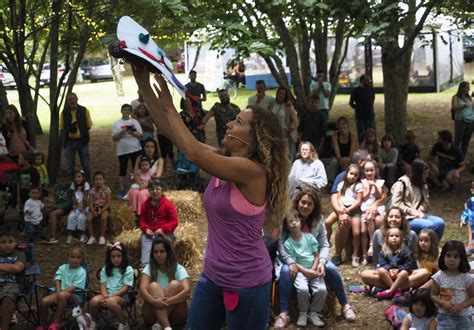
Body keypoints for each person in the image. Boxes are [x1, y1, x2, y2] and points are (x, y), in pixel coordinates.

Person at [133, 65, 288, 329]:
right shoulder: (223, 159)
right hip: (213, 277)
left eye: (238, 122)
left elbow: (193, 153)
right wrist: (144, 83)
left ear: (256, 138)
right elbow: (171, 133)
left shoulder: (253, 172)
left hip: (248, 284)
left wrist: (172, 106)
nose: (228, 123)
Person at [275, 186, 356, 329]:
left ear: (315, 206)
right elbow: (281, 243)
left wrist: (322, 262)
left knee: (330, 268)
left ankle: (345, 305)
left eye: (309, 204)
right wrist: (291, 261)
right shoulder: (289, 217)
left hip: (313, 258)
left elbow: (324, 244)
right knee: (286, 272)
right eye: (303, 202)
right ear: (297, 202)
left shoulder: (318, 220)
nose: (305, 206)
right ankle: (284, 313)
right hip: (291, 257)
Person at [360, 207, 430, 293]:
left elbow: (413, 260)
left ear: (402, 219)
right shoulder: (378, 234)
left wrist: (400, 270)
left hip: (404, 272)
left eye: (397, 217)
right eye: (391, 216)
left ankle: (386, 289)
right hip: (385, 272)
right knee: (365, 274)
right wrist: (388, 270)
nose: (393, 219)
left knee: (425, 273)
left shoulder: (411, 235)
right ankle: (401, 289)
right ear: (387, 218)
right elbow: (376, 260)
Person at [283, 210, 326, 327]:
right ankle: (303, 313)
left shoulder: (309, 237)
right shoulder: (288, 243)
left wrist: (313, 268)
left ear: (301, 223)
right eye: (290, 221)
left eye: (296, 220)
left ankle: (314, 313)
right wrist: (306, 271)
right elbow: (294, 262)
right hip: (301, 271)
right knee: (302, 289)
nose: (293, 223)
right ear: (287, 226)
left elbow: (316, 254)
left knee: (322, 290)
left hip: (313, 268)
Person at [140, 235, 191, 329]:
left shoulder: (178, 268)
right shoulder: (149, 268)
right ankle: (167, 326)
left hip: (176, 315)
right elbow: (142, 289)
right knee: (153, 286)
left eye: (162, 251)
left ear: (168, 253)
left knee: (175, 285)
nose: (158, 255)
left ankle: (160, 323)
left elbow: (187, 290)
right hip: (152, 315)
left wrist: (167, 301)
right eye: (155, 252)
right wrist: (153, 301)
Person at [391, 158, 445, 239]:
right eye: (424, 174)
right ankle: (421, 247)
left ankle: (433, 248)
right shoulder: (402, 184)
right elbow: (396, 204)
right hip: (406, 217)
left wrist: (422, 207)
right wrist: (413, 212)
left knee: (440, 223)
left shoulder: (423, 185)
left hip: (420, 215)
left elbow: (426, 202)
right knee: (428, 225)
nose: (426, 176)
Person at [37, 244, 87, 330]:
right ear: (68, 257)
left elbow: (74, 287)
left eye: (78, 257)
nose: (75, 260)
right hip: (59, 293)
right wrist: (58, 292)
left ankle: (58, 322)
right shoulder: (63, 267)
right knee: (44, 301)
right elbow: (57, 279)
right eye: (72, 257)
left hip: (75, 296)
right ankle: (43, 324)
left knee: (62, 296)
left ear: (82, 259)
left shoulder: (81, 271)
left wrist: (60, 294)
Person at [89, 242, 134, 330]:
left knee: (111, 302)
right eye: (113, 256)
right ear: (109, 258)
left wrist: (110, 297)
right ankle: (95, 321)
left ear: (123, 256)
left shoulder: (128, 269)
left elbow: (126, 288)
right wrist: (105, 295)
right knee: (94, 301)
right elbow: (103, 286)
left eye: (118, 256)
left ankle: (123, 324)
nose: (116, 259)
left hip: (122, 296)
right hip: (107, 294)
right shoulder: (105, 269)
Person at [431, 240, 474, 329]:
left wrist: (462, 305)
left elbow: (473, 297)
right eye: (448, 255)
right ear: (443, 256)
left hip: (464, 317)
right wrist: (442, 303)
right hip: (445, 316)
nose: (451, 259)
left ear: (461, 259)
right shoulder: (438, 277)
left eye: (456, 256)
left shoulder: (466, 278)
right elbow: (433, 295)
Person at [139, 179, 178, 266]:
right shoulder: (145, 205)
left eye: (157, 189)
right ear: (148, 191)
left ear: (162, 191)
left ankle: (168, 267)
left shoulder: (168, 204)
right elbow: (142, 220)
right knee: (145, 256)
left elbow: (174, 221)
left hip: (164, 233)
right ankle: (145, 267)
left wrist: (162, 229)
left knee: (164, 252)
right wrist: (146, 229)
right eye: (152, 189)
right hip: (149, 234)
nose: (155, 191)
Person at [375, 227, 416, 300]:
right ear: (387, 238)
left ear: (401, 239)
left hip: (400, 275)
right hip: (388, 274)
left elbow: (409, 263)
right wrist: (390, 269)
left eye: (397, 236)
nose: (394, 238)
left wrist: (399, 269)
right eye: (391, 236)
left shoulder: (405, 250)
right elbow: (381, 262)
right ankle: (396, 291)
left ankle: (389, 291)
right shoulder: (384, 250)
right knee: (381, 270)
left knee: (404, 273)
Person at [334, 164, 363, 267]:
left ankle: (355, 255)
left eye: (355, 175)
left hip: (355, 211)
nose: (352, 177)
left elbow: (359, 201)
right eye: (351, 174)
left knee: (356, 233)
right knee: (342, 226)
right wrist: (342, 207)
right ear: (347, 173)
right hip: (344, 209)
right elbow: (339, 197)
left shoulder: (359, 186)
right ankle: (338, 254)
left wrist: (349, 209)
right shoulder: (341, 184)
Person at [112, 104, 143, 198]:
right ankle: (122, 188)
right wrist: (122, 131)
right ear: (121, 111)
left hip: (135, 148)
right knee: (123, 169)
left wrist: (131, 132)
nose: (126, 111)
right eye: (124, 110)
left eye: (128, 110)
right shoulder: (117, 123)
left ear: (131, 112)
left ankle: (137, 185)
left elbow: (140, 135)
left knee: (136, 168)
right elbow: (114, 138)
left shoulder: (135, 122)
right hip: (123, 150)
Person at [60, 92, 93, 182]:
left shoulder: (84, 110)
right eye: (70, 99)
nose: (72, 101)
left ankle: (88, 184)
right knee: (70, 167)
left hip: (82, 141)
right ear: (67, 101)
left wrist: (80, 130)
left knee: (86, 165)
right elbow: (62, 128)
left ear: (77, 99)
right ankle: (72, 185)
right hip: (69, 142)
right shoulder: (64, 112)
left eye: (73, 99)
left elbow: (89, 125)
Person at [360, 160, 387, 260]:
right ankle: (371, 242)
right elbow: (364, 197)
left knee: (380, 220)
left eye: (371, 170)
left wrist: (375, 186)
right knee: (369, 217)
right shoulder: (363, 182)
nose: (369, 173)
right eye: (367, 171)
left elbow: (380, 196)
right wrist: (368, 188)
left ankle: (381, 246)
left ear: (376, 171)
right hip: (366, 205)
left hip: (377, 206)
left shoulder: (380, 182)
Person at [0, 228, 26, 330]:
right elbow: (13, 268)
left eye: (11, 242)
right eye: (3, 242)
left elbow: (17, 268)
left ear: (15, 242)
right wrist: (9, 268)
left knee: (8, 297)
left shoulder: (19, 254)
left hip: (13, 283)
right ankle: (9, 315)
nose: (7, 245)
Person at [43, 169, 72, 244]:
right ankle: (45, 229)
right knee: (46, 209)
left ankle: (53, 236)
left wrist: (55, 206)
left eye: (66, 180)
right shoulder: (56, 187)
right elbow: (55, 199)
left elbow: (69, 202)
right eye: (61, 181)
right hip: (58, 206)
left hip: (67, 207)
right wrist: (51, 205)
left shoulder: (70, 187)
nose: (64, 183)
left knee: (53, 214)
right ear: (58, 180)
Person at [327, 116, 358, 184]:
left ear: (347, 125)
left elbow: (352, 150)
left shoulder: (352, 135)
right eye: (340, 124)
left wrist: (349, 158)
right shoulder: (334, 136)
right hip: (338, 157)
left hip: (349, 156)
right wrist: (340, 158)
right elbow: (336, 149)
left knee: (354, 162)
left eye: (344, 124)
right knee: (334, 162)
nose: (342, 126)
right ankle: (331, 182)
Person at [271, 87, 298, 158]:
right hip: (275, 133)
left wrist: (289, 130)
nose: (281, 95)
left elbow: (295, 121)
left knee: (288, 155)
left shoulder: (288, 106)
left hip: (286, 134)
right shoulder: (272, 104)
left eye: (283, 94)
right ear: (277, 94)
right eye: (280, 93)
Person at [86, 171, 111, 245]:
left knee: (103, 218)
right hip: (95, 208)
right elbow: (90, 202)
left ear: (104, 180)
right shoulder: (92, 191)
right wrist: (93, 211)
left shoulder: (107, 190)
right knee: (88, 219)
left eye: (100, 179)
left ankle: (102, 236)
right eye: (96, 179)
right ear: (93, 181)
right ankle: (92, 236)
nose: (98, 181)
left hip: (104, 208)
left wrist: (102, 211)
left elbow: (108, 203)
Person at [349, 74, 376, 144]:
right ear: (362, 81)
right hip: (360, 116)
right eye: (367, 80)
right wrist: (357, 108)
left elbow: (372, 100)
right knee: (361, 134)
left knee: (372, 133)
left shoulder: (371, 89)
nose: (368, 81)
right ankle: (362, 148)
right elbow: (351, 103)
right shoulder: (356, 91)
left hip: (370, 116)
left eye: (369, 80)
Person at [66, 170, 90, 244]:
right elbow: (73, 196)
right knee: (71, 216)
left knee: (81, 217)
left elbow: (86, 197)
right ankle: (70, 236)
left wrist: (83, 208)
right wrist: (74, 206)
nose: (77, 179)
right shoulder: (73, 184)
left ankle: (83, 234)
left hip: (86, 205)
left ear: (83, 177)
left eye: (79, 177)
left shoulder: (86, 184)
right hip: (77, 206)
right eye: (75, 177)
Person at [452, 81, 473, 157]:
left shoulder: (469, 98)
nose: (469, 89)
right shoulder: (455, 97)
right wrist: (462, 106)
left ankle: (462, 157)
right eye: (467, 87)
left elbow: (471, 108)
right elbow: (454, 107)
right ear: (462, 88)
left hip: (471, 121)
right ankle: (455, 157)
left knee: (466, 141)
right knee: (458, 140)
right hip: (461, 121)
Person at [460, 181, 474, 254]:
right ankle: (471, 248)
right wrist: (463, 220)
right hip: (472, 224)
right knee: (472, 235)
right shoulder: (470, 201)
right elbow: (466, 212)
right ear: (472, 191)